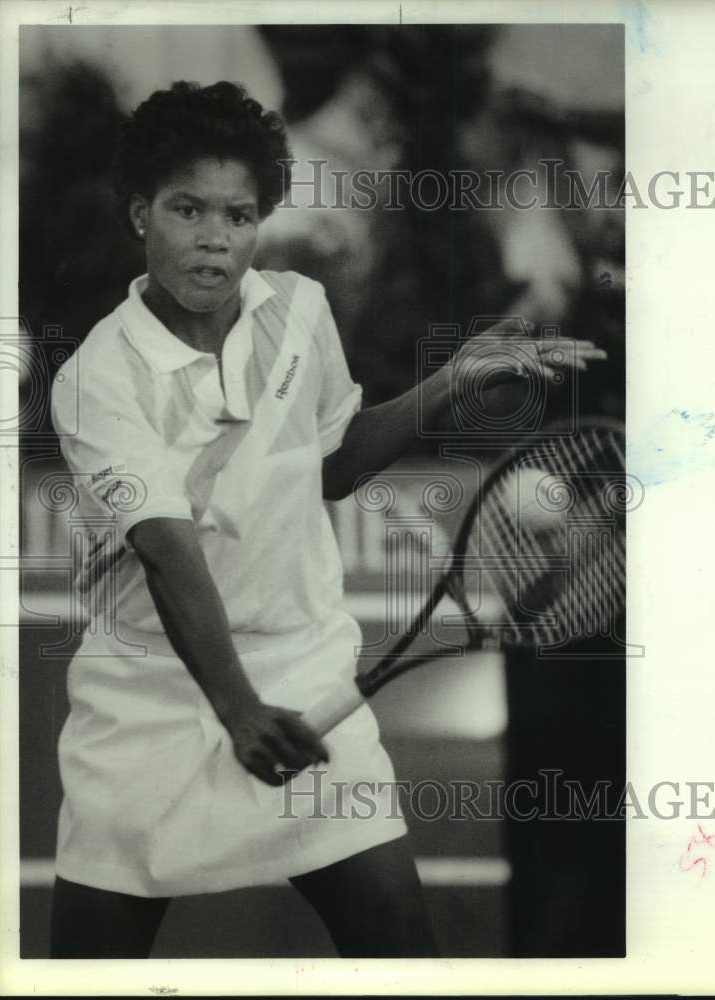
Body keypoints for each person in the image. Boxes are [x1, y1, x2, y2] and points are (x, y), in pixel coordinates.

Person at [49, 80, 606, 959]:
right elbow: (166, 550)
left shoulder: (298, 310)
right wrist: (239, 709)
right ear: (139, 213)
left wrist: (450, 380)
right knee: (90, 969)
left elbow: (335, 464)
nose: (214, 236)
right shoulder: (96, 378)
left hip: (305, 678)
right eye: (188, 209)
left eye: (238, 214)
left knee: (400, 950)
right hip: (147, 705)